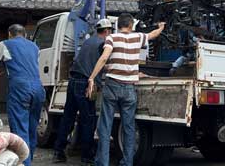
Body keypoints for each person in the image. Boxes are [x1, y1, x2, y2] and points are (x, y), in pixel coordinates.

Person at [86, 13, 165, 166]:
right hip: (129, 89)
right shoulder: (138, 37)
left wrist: (91, 77)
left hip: (112, 86)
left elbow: (104, 57)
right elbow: (153, 34)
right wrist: (161, 27)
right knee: (128, 128)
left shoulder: (112, 38)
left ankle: (103, 162)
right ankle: (127, 162)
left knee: (105, 126)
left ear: (118, 25)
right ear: (131, 25)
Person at [53, 19, 113, 165]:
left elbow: (89, 61)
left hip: (73, 81)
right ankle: (87, 157)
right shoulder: (102, 44)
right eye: (110, 31)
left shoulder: (88, 42)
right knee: (88, 120)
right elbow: (102, 62)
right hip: (86, 83)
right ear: (107, 31)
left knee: (68, 118)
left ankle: (58, 152)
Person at [0, 24, 46, 166]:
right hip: (38, 87)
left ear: (10, 34)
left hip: (20, 88)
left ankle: (24, 163)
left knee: (19, 129)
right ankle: (29, 159)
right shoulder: (35, 47)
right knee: (31, 128)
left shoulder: (5, 44)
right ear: (24, 34)